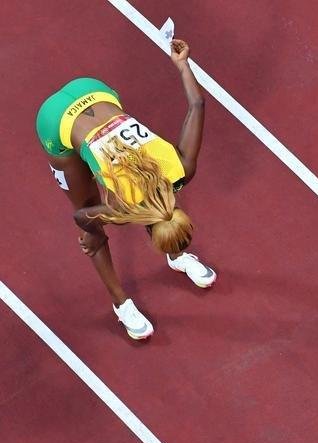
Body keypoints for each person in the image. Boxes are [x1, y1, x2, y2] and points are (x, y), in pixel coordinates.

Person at [35, 39, 216, 340]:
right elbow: (81, 215)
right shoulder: (124, 207)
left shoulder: (183, 168)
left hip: (94, 90)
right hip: (55, 122)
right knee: (92, 236)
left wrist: (182, 64)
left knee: (128, 210)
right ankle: (121, 304)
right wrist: (99, 223)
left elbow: (197, 104)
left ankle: (178, 257)